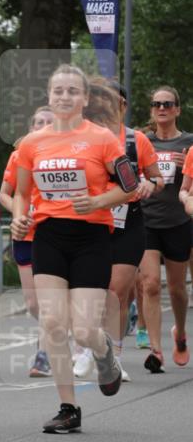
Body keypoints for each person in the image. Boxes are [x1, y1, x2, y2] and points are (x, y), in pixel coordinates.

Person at [11, 64, 138, 434]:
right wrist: (20, 218)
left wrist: (99, 202)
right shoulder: (31, 143)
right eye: (58, 91)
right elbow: (21, 193)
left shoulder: (102, 139)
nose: (64, 96)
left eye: (72, 91)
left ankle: (104, 352)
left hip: (91, 238)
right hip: (49, 236)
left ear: (84, 99)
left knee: (83, 330)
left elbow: (129, 186)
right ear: (49, 96)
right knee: (52, 324)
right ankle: (68, 407)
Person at [71, 79, 162, 382]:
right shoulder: (81, 138)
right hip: (91, 224)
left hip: (128, 224)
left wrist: (150, 184)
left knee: (116, 292)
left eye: (115, 100)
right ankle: (88, 347)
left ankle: (115, 355)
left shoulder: (137, 140)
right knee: (91, 290)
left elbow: (156, 177)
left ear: (123, 105)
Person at [139, 86, 193, 370]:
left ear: (177, 109)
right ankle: (156, 351)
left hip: (178, 222)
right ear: (151, 109)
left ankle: (181, 333)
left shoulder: (189, 143)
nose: (162, 108)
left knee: (176, 289)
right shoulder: (141, 142)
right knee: (149, 285)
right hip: (147, 221)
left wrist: (190, 167)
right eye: (157, 104)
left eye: (168, 104)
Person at [0, 106, 54, 377]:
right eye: (38, 122)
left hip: (53, 233)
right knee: (33, 303)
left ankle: (43, 354)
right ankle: (54, 328)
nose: (43, 126)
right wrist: (20, 213)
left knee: (46, 301)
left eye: (49, 122)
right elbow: (4, 195)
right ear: (31, 127)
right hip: (24, 233)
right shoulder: (19, 156)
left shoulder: (65, 156)